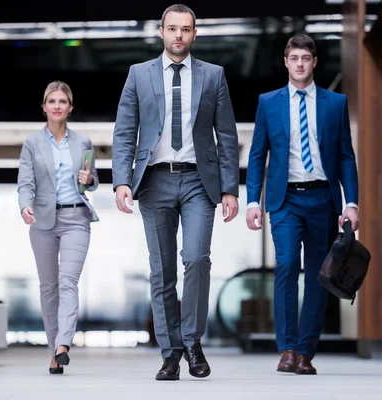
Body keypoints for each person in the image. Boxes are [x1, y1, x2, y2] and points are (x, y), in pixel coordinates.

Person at [112, 4, 240, 381]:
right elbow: (124, 132)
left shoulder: (214, 76)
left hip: (200, 181)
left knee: (198, 259)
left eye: (186, 29)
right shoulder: (138, 75)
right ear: (161, 32)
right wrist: (122, 180)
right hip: (154, 181)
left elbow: (227, 136)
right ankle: (170, 353)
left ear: (195, 34)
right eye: (173, 29)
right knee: (162, 270)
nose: (179, 35)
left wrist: (230, 188)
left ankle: (193, 342)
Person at [245, 34, 359, 375]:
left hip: (323, 198)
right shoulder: (269, 102)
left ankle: (306, 352)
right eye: (293, 57)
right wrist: (253, 201)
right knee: (286, 265)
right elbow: (256, 156)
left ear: (313, 62)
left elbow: (346, 158)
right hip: (285, 200)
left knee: (318, 277)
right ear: (285, 62)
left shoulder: (335, 104)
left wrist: (351, 203)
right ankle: (287, 349)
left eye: (305, 58)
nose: (299, 64)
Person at [17, 81, 100, 374]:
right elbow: (25, 182)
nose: (56, 106)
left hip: (76, 218)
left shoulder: (83, 143)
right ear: (44, 107)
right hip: (42, 221)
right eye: (51, 101)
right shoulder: (32, 143)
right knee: (49, 288)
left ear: (69, 108)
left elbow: (93, 179)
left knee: (68, 282)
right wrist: (25, 206)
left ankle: (64, 343)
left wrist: (89, 180)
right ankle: (54, 350)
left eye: (62, 101)